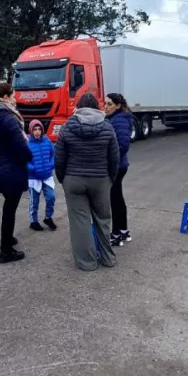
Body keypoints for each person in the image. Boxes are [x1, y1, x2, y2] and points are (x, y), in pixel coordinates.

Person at [55, 93, 120, 271]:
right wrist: (110, 179)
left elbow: (59, 158)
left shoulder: (67, 127)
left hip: (73, 180)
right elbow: (114, 158)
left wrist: (62, 178)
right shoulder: (107, 127)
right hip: (100, 180)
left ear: (79, 107)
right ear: (96, 107)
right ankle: (108, 258)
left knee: (80, 223)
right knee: (103, 219)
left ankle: (87, 262)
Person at [0, 83, 32, 264]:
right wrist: (28, 156)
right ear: (6, 97)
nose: (16, 99)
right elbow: (19, 144)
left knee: (9, 205)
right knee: (10, 208)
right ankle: (6, 250)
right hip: (12, 167)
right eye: (14, 95)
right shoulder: (6, 117)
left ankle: (7, 239)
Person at [105, 92, 135, 246]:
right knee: (117, 197)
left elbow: (122, 146)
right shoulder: (115, 118)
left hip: (117, 166)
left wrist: (109, 158)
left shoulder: (120, 120)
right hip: (118, 165)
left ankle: (116, 234)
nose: (106, 107)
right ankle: (123, 231)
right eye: (105, 103)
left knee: (114, 199)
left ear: (118, 105)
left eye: (109, 104)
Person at [26, 120, 56, 231]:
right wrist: (33, 168)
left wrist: (51, 164)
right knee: (34, 201)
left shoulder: (47, 141)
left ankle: (48, 217)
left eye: (39, 129)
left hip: (47, 176)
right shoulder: (27, 143)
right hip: (34, 178)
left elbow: (53, 154)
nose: (37, 132)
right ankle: (33, 221)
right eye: (35, 129)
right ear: (31, 130)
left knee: (51, 197)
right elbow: (23, 160)